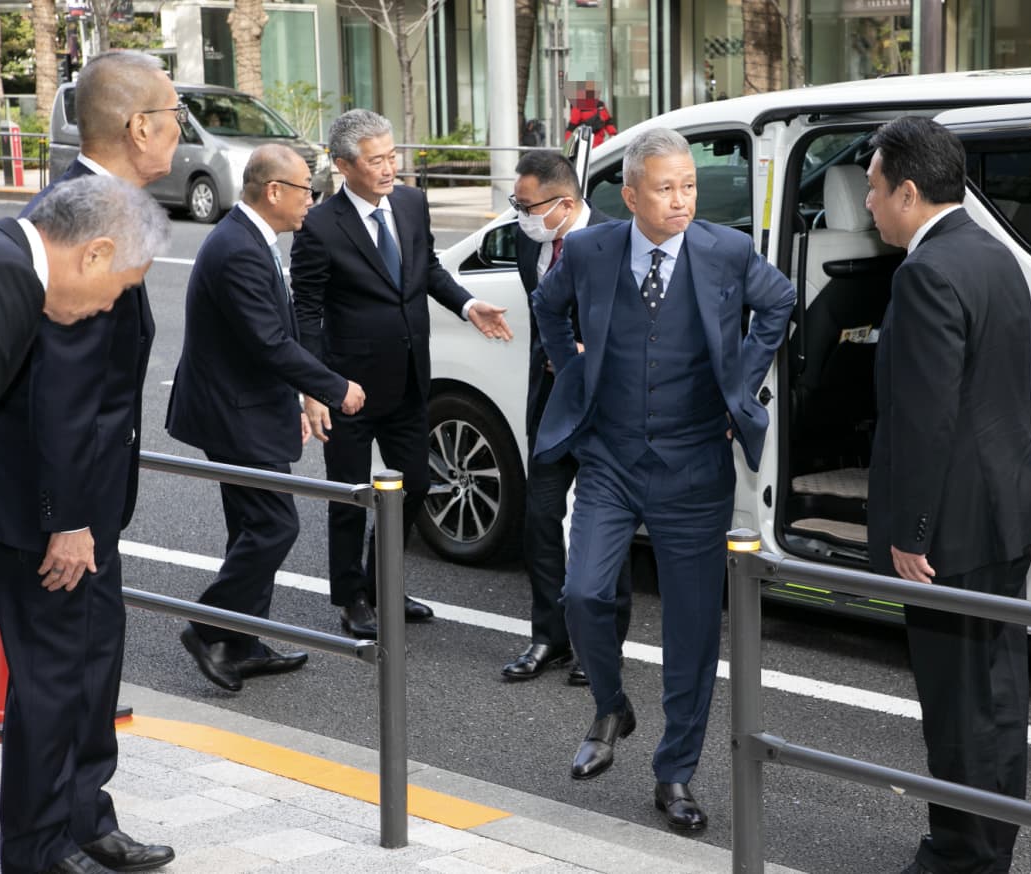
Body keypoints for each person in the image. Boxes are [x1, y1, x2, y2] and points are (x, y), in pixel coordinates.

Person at [532, 127, 795, 832]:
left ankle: (674, 773)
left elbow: (780, 302)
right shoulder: (590, 249)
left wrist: (744, 378)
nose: (681, 200)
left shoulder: (728, 251)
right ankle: (612, 705)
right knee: (583, 592)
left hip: (695, 463)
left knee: (690, 633)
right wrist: (573, 364)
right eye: (665, 187)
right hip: (612, 458)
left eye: (689, 186)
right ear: (631, 194)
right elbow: (546, 304)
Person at [0, 49, 180, 874]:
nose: (179, 130)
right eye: (174, 115)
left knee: (94, 665)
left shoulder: (112, 208)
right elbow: (56, 396)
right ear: (142, 126)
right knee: (54, 678)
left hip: (93, 504)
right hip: (47, 512)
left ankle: (84, 815)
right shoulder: (70, 223)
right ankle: (37, 847)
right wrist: (64, 519)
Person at [862, 116, 1031, 874]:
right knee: (998, 691)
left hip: (955, 526)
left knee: (957, 702)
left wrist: (911, 530)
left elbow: (925, 416)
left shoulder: (927, 271)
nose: (868, 204)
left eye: (874, 190)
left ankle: (963, 854)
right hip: (1004, 507)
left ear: (908, 191)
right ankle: (988, 843)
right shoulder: (992, 253)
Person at [291, 109, 513, 639]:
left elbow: (428, 267)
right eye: (377, 161)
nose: (390, 169)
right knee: (350, 497)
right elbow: (306, 311)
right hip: (348, 387)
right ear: (345, 165)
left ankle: (382, 582)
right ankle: (350, 598)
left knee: (415, 483)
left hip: (411, 376)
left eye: (393, 156)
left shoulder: (411, 203)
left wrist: (467, 304)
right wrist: (316, 387)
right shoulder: (320, 226)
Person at [167, 145, 367, 692]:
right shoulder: (238, 248)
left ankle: (243, 641)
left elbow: (269, 337)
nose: (314, 198)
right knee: (275, 524)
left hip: (243, 405)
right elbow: (270, 343)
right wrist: (332, 386)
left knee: (251, 526)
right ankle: (210, 629)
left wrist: (302, 397)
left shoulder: (251, 238)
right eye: (307, 188)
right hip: (234, 412)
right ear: (275, 191)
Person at [501, 150, 633, 686]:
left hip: (606, 406)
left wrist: (587, 349)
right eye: (517, 203)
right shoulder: (527, 239)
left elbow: (641, 325)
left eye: (527, 205)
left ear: (565, 202)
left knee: (605, 524)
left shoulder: (618, 240)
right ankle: (548, 636)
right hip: (551, 400)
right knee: (541, 519)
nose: (520, 215)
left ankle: (601, 645)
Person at [0, 176, 162, 432]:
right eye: (123, 286)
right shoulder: (10, 279)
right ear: (95, 254)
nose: (108, 306)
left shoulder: (3, 249)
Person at [565, 80, 617, 147]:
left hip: (596, 143)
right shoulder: (579, 105)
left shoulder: (599, 105)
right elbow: (573, 125)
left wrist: (613, 135)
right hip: (586, 143)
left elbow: (608, 122)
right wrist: (569, 143)